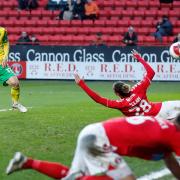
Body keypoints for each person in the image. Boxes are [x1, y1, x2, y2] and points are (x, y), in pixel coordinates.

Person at [6, 114, 180, 179]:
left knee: (74, 174)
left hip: (93, 131)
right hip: (100, 140)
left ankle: (26, 162)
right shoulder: (174, 135)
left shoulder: (165, 126)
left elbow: (171, 162)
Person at [74, 49, 180, 120]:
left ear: (117, 93)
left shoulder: (121, 104)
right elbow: (151, 73)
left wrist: (82, 84)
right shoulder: (138, 88)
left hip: (152, 121)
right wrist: (139, 58)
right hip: (161, 108)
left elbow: (98, 99)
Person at [0, 27, 27, 112]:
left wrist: (5, 56)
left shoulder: (2, 31)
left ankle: (15, 103)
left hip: (1, 62)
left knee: (15, 82)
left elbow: (6, 43)